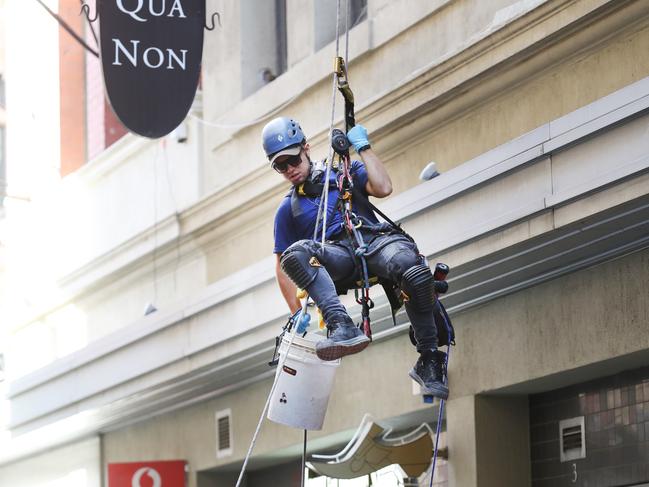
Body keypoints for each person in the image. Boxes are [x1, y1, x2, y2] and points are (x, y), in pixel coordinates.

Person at [263, 117, 449, 400]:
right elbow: (282, 265)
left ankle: (429, 359)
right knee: (295, 253)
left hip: (374, 241)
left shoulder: (343, 174)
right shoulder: (288, 210)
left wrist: (364, 148)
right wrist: (295, 311)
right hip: (339, 258)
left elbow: (383, 188)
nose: (289, 169)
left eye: (293, 160)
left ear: (306, 148)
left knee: (411, 269)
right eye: (280, 165)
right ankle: (341, 325)